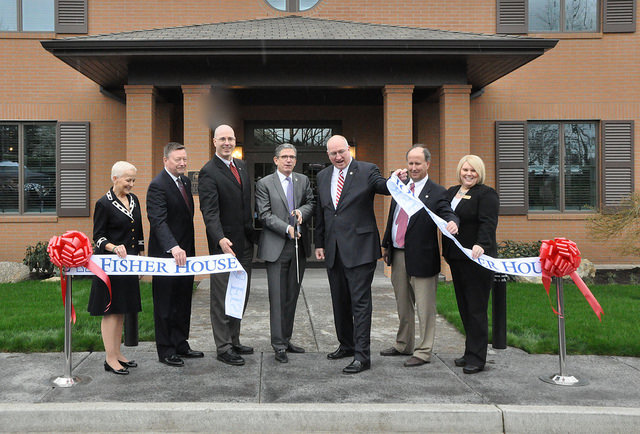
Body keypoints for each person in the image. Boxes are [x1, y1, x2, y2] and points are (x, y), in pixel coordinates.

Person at [314, 135, 390, 374]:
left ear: (349, 150)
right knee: (340, 302)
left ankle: (362, 356)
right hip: (334, 250)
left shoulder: (367, 170)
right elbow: (322, 212)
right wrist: (318, 243)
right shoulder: (323, 176)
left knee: (360, 304)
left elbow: (384, 186)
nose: (338, 157)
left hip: (360, 249)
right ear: (328, 155)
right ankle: (346, 345)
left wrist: (397, 181)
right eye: (333, 153)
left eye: (341, 152)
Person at [380, 145, 459, 367]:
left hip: (423, 258)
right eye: (410, 163)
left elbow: (447, 212)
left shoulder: (437, 191)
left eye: (418, 163)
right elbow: (393, 217)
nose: (413, 167)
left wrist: (453, 222)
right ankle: (403, 344)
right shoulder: (401, 187)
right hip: (398, 255)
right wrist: (387, 244)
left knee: (425, 308)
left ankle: (423, 351)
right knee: (403, 305)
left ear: (427, 164)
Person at [199, 124, 257, 366]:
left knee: (239, 292)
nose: (227, 143)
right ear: (214, 142)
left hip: (244, 243)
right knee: (222, 296)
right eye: (222, 139)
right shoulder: (208, 172)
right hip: (223, 245)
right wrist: (220, 238)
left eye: (231, 139)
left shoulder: (241, 166)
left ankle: (234, 339)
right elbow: (209, 212)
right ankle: (223, 347)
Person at [255, 144, 315, 363]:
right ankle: (278, 344)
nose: (289, 160)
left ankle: (287, 339)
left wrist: (301, 212)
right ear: (276, 160)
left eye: (292, 157)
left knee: (291, 296)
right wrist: (286, 228)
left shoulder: (303, 180)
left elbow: (311, 203)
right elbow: (264, 214)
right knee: (278, 298)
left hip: (298, 247)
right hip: (276, 247)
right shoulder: (264, 184)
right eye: (285, 157)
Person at [147, 142, 203, 367]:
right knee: (165, 304)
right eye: (178, 159)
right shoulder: (157, 185)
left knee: (183, 300)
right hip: (167, 256)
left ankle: (181, 343)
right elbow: (158, 221)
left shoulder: (186, 181)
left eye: (184, 159)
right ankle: (166, 349)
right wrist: (173, 247)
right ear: (165, 161)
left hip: (186, 254)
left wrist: (186, 249)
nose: (182, 163)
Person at [442, 155, 499, 374]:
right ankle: (469, 352)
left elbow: (488, 222)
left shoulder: (486, 194)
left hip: (477, 259)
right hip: (456, 258)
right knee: (464, 307)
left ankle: (477, 357)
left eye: (473, 170)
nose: (468, 173)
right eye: (465, 169)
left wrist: (482, 244)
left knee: (476, 309)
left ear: (480, 172)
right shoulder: (451, 192)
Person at [89, 161, 144, 375]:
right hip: (110, 266)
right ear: (115, 179)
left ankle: (118, 353)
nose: (131, 184)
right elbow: (98, 238)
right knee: (110, 312)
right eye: (128, 180)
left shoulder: (134, 200)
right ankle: (109, 358)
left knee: (121, 310)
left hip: (129, 265)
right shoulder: (103, 203)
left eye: (133, 180)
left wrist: (140, 258)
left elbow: (138, 233)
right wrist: (114, 247)